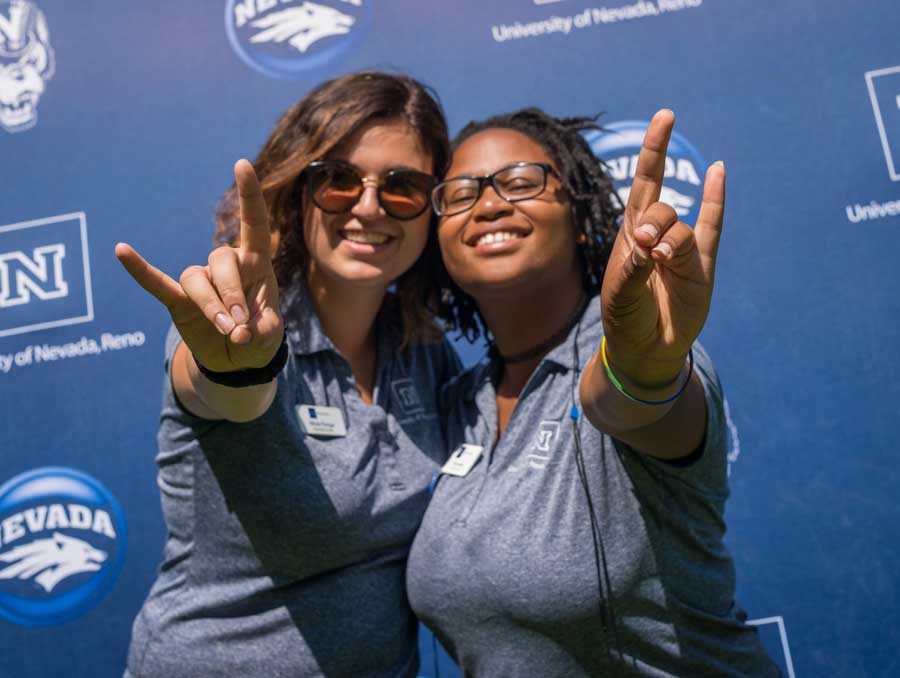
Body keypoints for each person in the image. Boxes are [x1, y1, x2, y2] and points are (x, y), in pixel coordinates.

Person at [407, 108, 780, 676]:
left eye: (520, 182)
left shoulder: (642, 349)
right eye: (460, 194)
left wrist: (640, 363)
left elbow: (624, 399)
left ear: (580, 215)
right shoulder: (457, 402)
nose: (487, 205)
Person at [115, 71, 460, 678]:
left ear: (430, 210)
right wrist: (243, 367)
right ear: (300, 192)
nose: (369, 206)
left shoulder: (427, 353)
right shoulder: (237, 325)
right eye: (338, 180)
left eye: (402, 187)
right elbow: (227, 388)